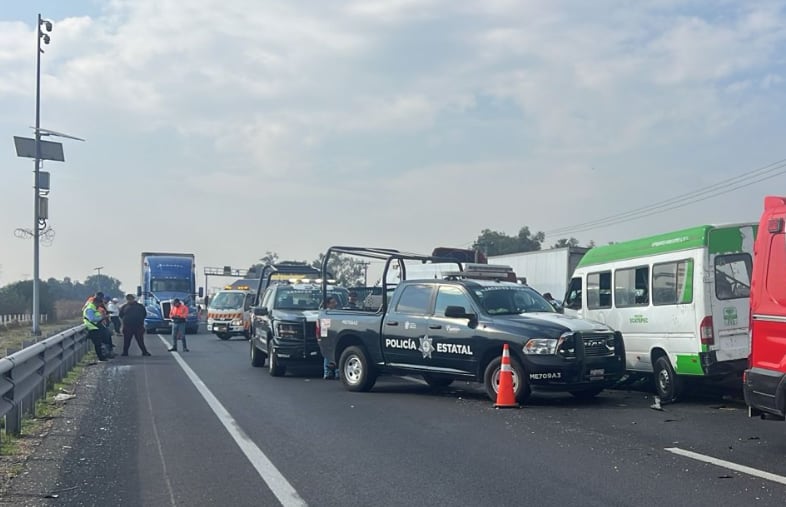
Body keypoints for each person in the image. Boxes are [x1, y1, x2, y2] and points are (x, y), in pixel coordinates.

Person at [83, 293, 112, 361]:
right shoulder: (90, 309)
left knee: (100, 342)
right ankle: (101, 357)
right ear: (96, 302)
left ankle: (103, 356)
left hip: (96, 328)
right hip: (92, 328)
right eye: (99, 304)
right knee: (97, 344)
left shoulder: (93, 307)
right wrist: (102, 317)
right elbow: (92, 319)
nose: (99, 305)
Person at [322, 296, 339, 379]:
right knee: (328, 356)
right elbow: (324, 329)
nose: (335, 304)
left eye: (335, 302)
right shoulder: (326, 314)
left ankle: (337, 373)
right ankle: (327, 372)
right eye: (332, 303)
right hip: (329, 338)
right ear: (328, 304)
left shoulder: (336, 313)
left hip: (335, 337)